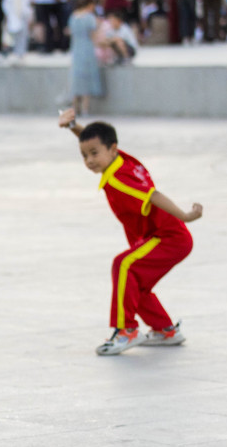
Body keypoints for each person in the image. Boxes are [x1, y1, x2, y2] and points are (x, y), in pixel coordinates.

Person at [58, 110, 203, 355]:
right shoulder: (118, 159)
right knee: (135, 283)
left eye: (93, 154)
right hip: (163, 237)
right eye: (84, 156)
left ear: (112, 149)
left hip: (168, 237)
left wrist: (185, 215)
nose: (89, 160)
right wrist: (73, 126)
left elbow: (153, 196)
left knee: (123, 265)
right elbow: (95, 140)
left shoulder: (118, 178)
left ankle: (126, 330)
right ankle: (166, 330)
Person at [69, 0, 103, 116]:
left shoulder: (73, 16)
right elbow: (94, 36)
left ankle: (74, 107)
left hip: (76, 48)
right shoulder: (90, 18)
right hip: (87, 48)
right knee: (87, 79)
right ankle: (85, 109)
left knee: (76, 78)